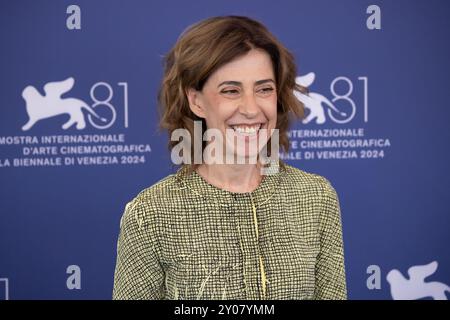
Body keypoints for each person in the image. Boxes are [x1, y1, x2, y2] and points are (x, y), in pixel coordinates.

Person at [113, 15, 347, 300]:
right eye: (231, 91)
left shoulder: (316, 197)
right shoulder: (149, 214)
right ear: (196, 100)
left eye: (264, 89)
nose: (250, 108)